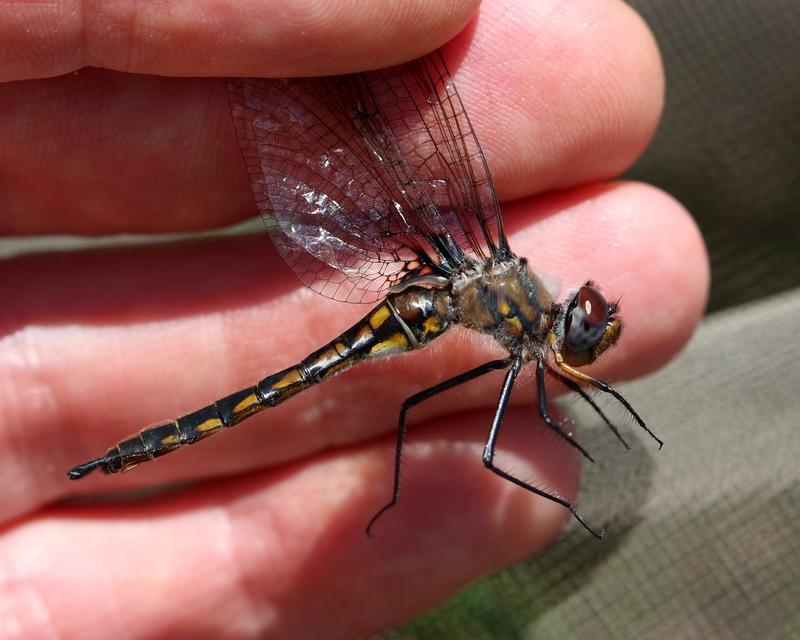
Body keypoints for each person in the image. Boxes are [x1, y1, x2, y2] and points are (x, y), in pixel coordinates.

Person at [0, 0, 708, 637]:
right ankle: (136, 451)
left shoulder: (519, 311)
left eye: (588, 327)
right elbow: (521, 437)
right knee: (467, 428)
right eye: (587, 330)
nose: (588, 333)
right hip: (423, 297)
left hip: (432, 291)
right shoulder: (526, 324)